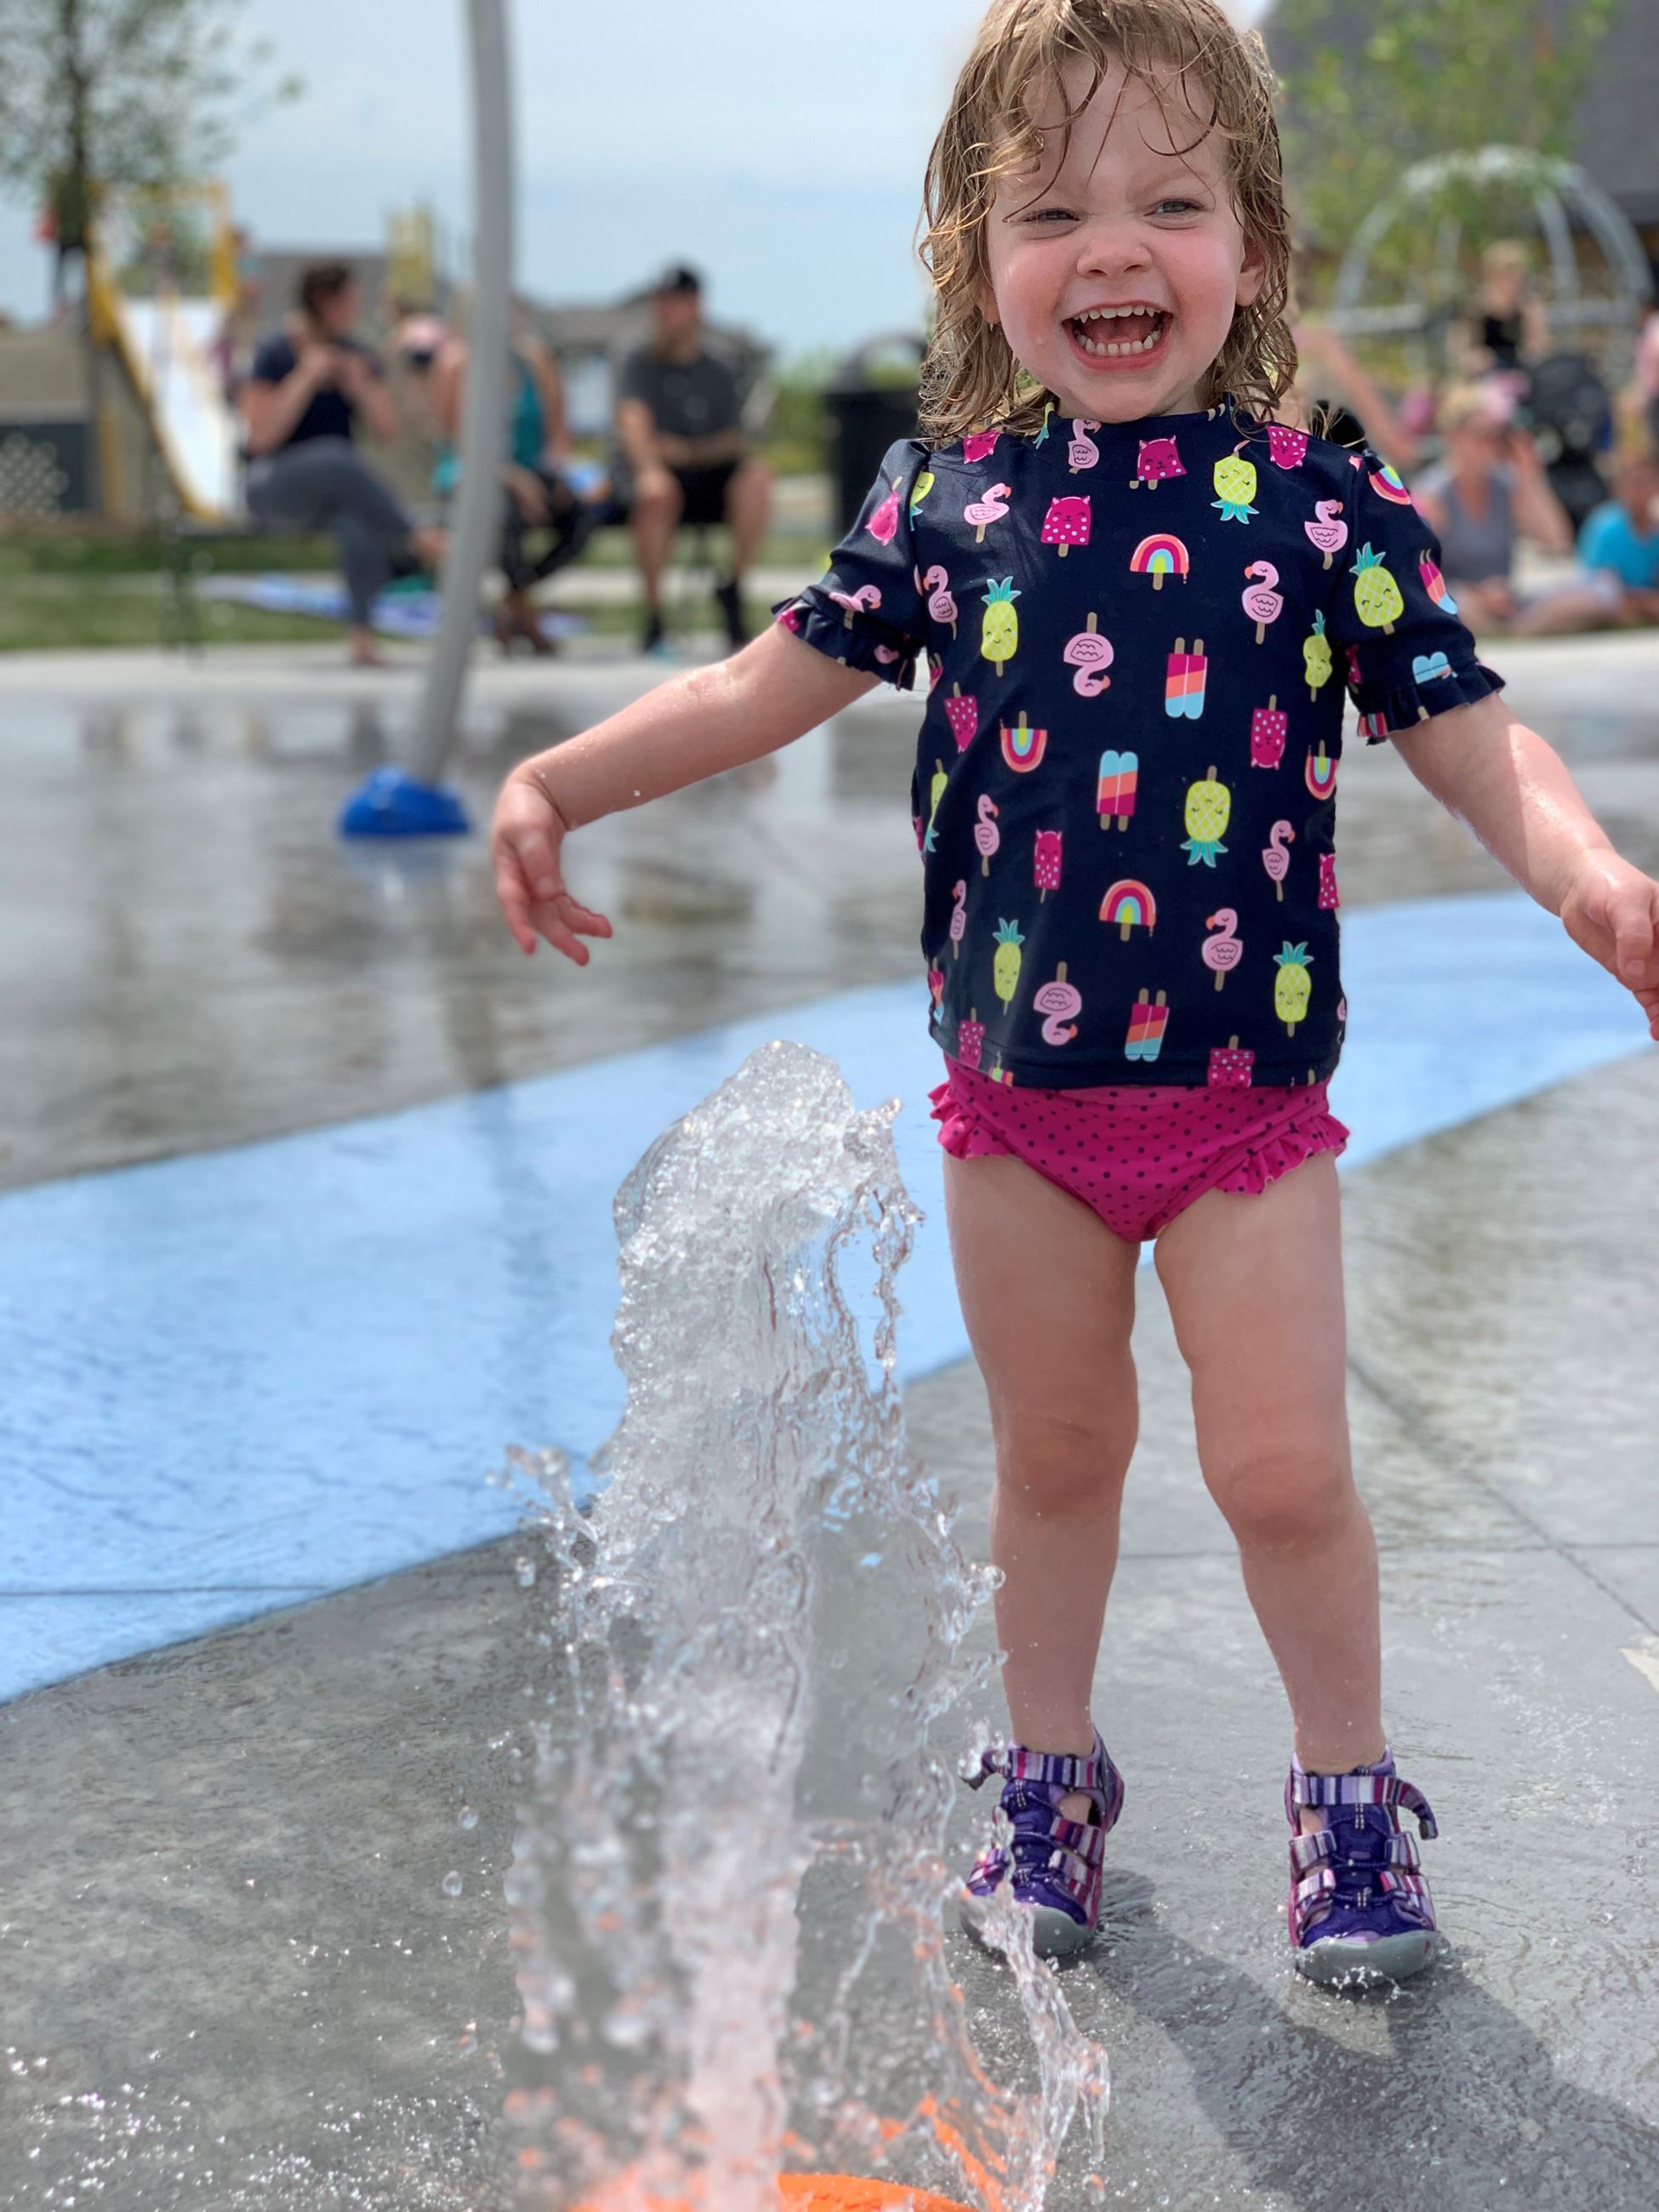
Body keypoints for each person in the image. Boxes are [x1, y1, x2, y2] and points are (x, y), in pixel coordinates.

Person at [490, 0, 1659, 1987]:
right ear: (977, 266)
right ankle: (1047, 1775)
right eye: (1049, 208)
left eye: (1170, 200)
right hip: (1016, 1103)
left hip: (1237, 1102)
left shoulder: (1318, 510)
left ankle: (1343, 1793)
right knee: (1051, 1456)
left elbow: (1468, 736)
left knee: (1282, 1470)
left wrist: (1588, 881)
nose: (1111, 247)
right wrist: (556, 779)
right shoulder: (946, 508)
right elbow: (753, 685)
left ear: (1254, 252)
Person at [240, 262, 443, 668]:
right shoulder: (274, 353)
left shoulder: (357, 355)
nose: (358, 308)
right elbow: (259, 438)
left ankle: (361, 638)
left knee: (356, 522)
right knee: (334, 455)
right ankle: (415, 537)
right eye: (350, 300)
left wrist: (359, 385)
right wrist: (304, 379)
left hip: (332, 494)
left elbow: (388, 430)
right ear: (325, 302)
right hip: (273, 486)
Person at [613, 265, 772, 654]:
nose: (662, 311)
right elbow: (633, 425)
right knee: (656, 492)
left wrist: (689, 452)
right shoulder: (638, 361)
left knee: (757, 479)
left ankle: (732, 589)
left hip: (708, 477)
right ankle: (653, 617)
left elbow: (735, 439)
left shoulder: (721, 365)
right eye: (659, 302)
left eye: (672, 302)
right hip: (661, 478)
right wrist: (652, 465)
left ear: (694, 305)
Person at [431, 303, 595, 655]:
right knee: (505, 514)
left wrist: (556, 472)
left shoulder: (533, 359)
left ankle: (515, 600)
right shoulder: (456, 362)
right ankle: (527, 618)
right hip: (471, 474)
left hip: (531, 472)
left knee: (580, 515)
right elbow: (455, 439)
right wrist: (515, 479)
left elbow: (556, 427)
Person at [1413, 383, 1607, 635]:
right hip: (1460, 599)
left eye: (1495, 436)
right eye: (1480, 436)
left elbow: (1557, 541)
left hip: (1508, 602)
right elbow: (1418, 575)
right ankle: (1512, 629)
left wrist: (1532, 476)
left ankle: (1515, 630)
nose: (1490, 445)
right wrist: (1479, 594)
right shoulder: (1433, 495)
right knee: (1453, 604)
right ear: (1454, 437)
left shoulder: (1507, 485)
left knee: (1600, 590)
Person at [1575, 452, 1659, 627]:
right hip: (1610, 598)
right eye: (1635, 483)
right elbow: (1599, 582)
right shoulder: (1605, 526)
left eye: (1646, 483)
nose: (1640, 491)